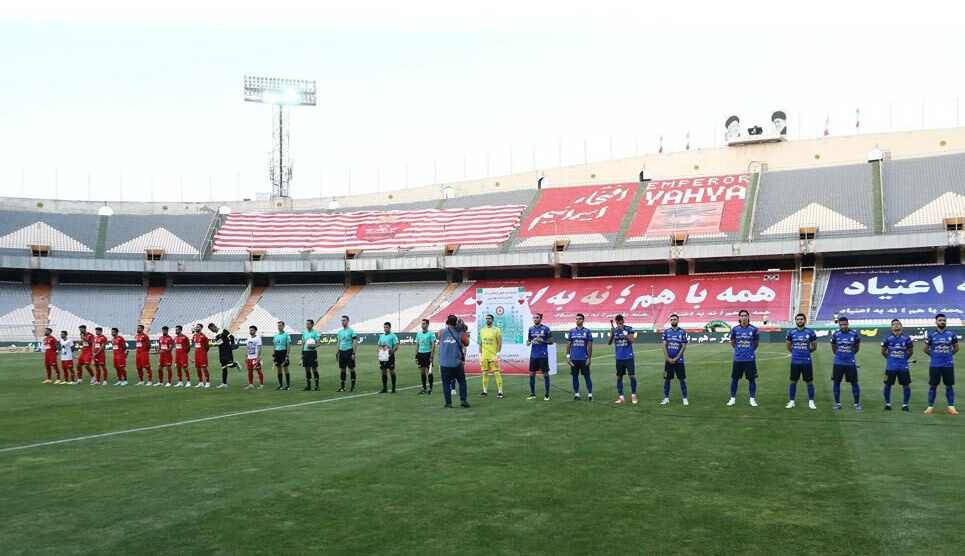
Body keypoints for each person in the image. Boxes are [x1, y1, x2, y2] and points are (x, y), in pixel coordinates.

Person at [923, 313, 958, 414]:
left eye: (944, 320)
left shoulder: (951, 335)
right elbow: (925, 349)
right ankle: (930, 407)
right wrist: (934, 356)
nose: (942, 322)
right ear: (936, 322)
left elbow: (956, 348)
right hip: (935, 365)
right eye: (940, 320)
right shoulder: (931, 335)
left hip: (948, 365)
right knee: (933, 386)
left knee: (949, 386)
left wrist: (949, 355)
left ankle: (951, 407)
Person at [727, 310, 760, 407]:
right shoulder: (735, 329)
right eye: (742, 315)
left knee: (751, 379)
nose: (744, 317)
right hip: (738, 358)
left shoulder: (753, 329)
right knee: (735, 379)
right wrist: (738, 350)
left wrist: (750, 350)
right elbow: (733, 342)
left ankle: (752, 399)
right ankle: (732, 399)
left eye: (745, 315)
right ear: (739, 317)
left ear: (748, 317)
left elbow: (756, 343)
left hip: (750, 359)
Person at [785, 313, 818, 409]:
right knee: (793, 381)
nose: (799, 321)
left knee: (809, 382)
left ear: (804, 320)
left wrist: (806, 352)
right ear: (795, 321)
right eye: (798, 319)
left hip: (806, 361)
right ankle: (792, 401)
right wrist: (795, 352)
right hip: (795, 361)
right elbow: (788, 346)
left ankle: (811, 402)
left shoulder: (810, 332)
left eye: (801, 319)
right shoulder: (791, 333)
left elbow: (814, 346)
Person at [437, 315, 470, 408]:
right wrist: (463, 331)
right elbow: (467, 343)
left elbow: (439, 337)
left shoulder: (441, 332)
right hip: (456, 363)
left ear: (447, 322)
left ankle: (448, 403)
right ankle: (463, 400)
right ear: (456, 323)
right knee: (462, 381)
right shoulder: (461, 334)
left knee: (446, 383)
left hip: (444, 363)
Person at [881, 318, 914, 411]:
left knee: (906, 385)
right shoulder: (887, 339)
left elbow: (910, 352)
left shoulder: (906, 339)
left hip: (903, 367)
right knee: (887, 385)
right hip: (891, 367)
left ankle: (905, 405)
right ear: (891, 328)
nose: (896, 325)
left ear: (901, 326)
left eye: (898, 324)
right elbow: (883, 351)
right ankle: (887, 404)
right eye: (894, 324)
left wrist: (904, 359)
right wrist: (890, 359)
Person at [830, 316, 862, 410]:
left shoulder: (854, 335)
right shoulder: (835, 335)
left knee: (854, 383)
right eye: (841, 325)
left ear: (848, 324)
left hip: (850, 363)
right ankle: (837, 403)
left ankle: (856, 403)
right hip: (838, 363)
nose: (843, 326)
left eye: (844, 324)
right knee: (836, 382)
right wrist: (840, 355)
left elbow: (856, 348)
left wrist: (849, 355)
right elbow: (833, 348)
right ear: (839, 325)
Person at [608, 315, 637, 404]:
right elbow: (609, 343)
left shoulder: (629, 328)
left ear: (623, 321)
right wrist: (612, 333)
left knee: (631, 376)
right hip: (619, 358)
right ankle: (621, 397)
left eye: (620, 323)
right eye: (617, 323)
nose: (618, 324)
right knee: (619, 377)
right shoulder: (615, 330)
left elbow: (632, 340)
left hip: (628, 357)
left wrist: (623, 331)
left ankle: (633, 396)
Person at [661, 314, 689, 406]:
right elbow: (664, 346)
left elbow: (683, 346)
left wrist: (677, 358)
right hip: (668, 361)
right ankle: (666, 398)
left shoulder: (682, 332)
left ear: (678, 320)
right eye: (671, 319)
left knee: (681, 379)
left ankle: (685, 398)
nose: (673, 321)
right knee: (667, 379)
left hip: (679, 361)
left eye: (675, 319)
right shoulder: (666, 332)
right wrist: (668, 358)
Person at [526, 313, 554, 401]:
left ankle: (547, 395)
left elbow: (551, 341)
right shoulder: (531, 329)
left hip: (543, 355)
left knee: (545, 375)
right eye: (534, 318)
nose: (535, 319)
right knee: (532, 375)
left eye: (537, 318)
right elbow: (529, 339)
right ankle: (532, 394)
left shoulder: (546, 329)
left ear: (540, 319)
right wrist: (528, 342)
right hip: (533, 355)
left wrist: (543, 341)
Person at [566, 313, 593, 401]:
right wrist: (568, 356)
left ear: (583, 320)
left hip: (584, 359)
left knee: (587, 376)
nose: (578, 320)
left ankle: (590, 394)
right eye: (577, 319)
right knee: (574, 377)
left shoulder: (587, 331)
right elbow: (569, 345)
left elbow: (590, 346)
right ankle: (577, 394)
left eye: (580, 319)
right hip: (573, 359)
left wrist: (589, 358)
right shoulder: (572, 331)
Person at [479, 314, 504, 398]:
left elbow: (500, 343)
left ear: (492, 320)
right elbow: (481, 343)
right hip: (484, 356)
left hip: (493, 356)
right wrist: (480, 354)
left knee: (497, 373)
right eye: (486, 318)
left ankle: (500, 392)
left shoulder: (497, 330)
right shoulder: (482, 330)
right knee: (485, 373)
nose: (487, 320)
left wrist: (498, 354)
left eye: (489, 318)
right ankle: (484, 391)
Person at [209, 323, 240, 388]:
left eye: (212, 330)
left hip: (227, 351)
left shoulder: (223, 331)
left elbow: (231, 337)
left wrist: (232, 345)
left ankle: (236, 364)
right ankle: (224, 383)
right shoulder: (216, 335)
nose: (212, 331)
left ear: (214, 326)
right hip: (221, 353)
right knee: (223, 368)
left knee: (230, 365)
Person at [335, 316, 358, 392]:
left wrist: (353, 353)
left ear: (348, 321)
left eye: (344, 320)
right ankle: (342, 387)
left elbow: (355, 342)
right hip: (342, 352)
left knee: (351, 369)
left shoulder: (351, 331)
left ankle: (353, 387)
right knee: (342, 369)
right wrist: (337, 352)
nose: (342, 322)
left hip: (349, 351)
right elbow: (339, 342)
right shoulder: (340, 332)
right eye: (341, 320)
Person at [414, 319, 436, 394]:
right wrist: (416, 356)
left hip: (428, 354)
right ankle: (424, 388)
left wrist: (432, 356)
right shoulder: (418, 334)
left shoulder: (431, 334)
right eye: (422, 323)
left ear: (427, 325)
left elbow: (433, 345)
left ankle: (431, 389)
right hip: (420, 354)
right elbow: (417, 345)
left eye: (424, 323)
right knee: (422, 372)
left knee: (429, 372)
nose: (422, 325)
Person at [377, 322, 400, 393]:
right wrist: (380, 351)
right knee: (383, 371)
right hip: (383, 357)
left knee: (391, 371)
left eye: (387, 327)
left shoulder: (393, 336)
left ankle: (393, 388)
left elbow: (396, 346)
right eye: (384, 327)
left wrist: (391, 352)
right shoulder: (381, 336)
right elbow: (379, 345)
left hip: (390, 356)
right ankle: (385, 388)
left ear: (390, 328)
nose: (385, 328)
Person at [300, 319, 321, 391]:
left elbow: (318, 343)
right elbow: (303, 343)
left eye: (309, 324)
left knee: (314, 368)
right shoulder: (305, 333)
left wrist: (313, 346)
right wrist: (302, 353)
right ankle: (308, 386)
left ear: (312, 325)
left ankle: (317, 386)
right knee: (307, 369)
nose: (307, 325)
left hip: (312, 353)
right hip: (306, 352)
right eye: (306, 324)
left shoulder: (315, 333)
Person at [273, 321, 292, 391]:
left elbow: (289, 346)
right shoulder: (276, 335)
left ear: (283, 326)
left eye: (280, 326)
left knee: (285, 369)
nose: (279, 327)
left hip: (283, 353)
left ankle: (288, 385)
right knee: (278, 370)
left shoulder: (286, 335)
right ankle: (280, 385)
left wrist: (287, 355)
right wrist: (274, 355)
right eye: (278, 326)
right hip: (277, 353)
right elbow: (274, 345)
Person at [245, 325, 265, 390]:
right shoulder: (248, 338)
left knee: (259, 371)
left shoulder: (258, 338)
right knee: (250, 371)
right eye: (250, 330)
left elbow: (259, 348)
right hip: (249, 358)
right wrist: (246, 356)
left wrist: (258, 357)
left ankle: (261, 385)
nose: (250, 331)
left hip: (255, 358)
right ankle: (251, 384)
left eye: (252, 330)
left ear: (255, 331)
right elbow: (248, 348)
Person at [192, 324, 211, 388]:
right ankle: (200, 382)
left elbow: (207, 346)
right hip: (196, 355)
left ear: (201, 328)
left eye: (198, 327)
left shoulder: (204, 336)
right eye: (196, 327)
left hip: (202, 355)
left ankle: (208, 382)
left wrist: (204, 352)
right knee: (198, 368)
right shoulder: (194, 336)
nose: (196, 328)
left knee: (204, 368)